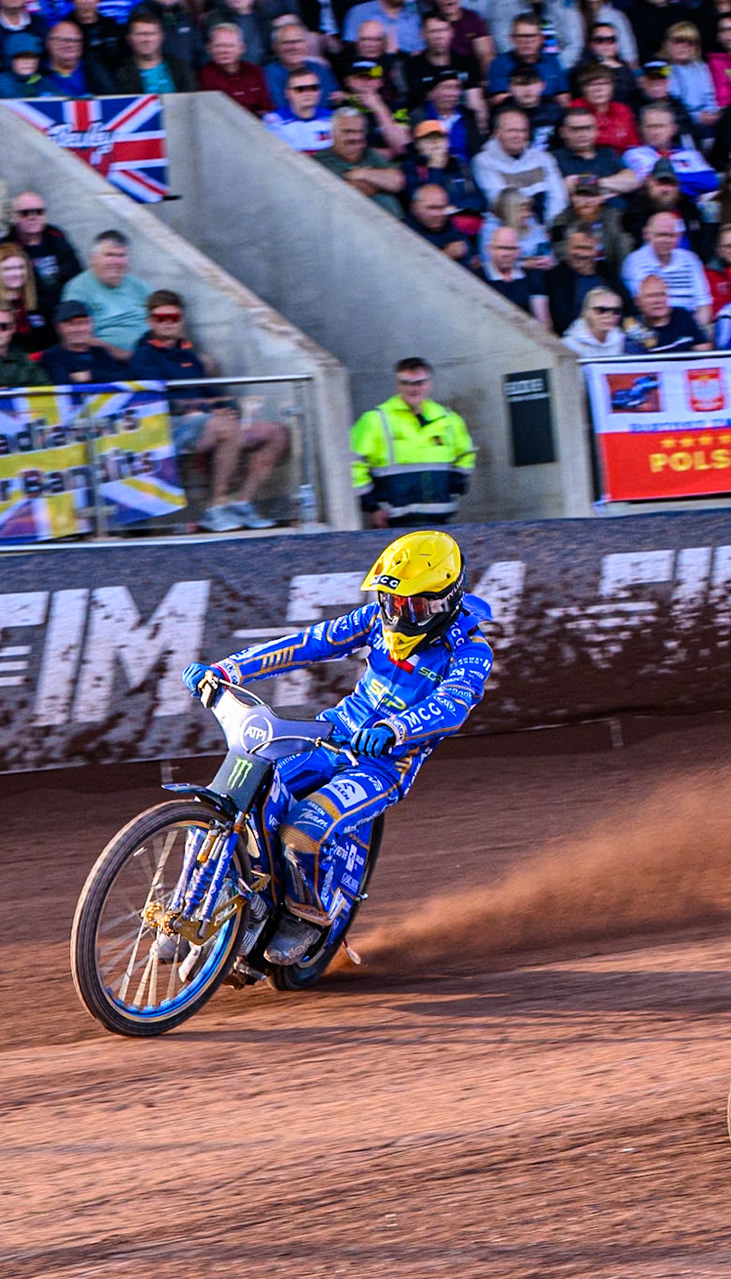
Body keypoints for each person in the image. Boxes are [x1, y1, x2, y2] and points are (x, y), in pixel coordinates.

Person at [179, 531, 493, 966]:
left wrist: (396, 728)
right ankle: (201, 903)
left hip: (384, 765)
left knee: (301, 829)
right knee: (243, 797)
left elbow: (451, 706)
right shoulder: (374, 620)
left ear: (444, 600)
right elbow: (308, 643)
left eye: (412, 606)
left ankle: (306, 918)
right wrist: (227, 668)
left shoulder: (470, 651)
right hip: (329, 735)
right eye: (389, 601)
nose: (397, 614)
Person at [127, 290, 290, 532]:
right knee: (223, 426)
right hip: (170, 427)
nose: (168, 323)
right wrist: (203, 409)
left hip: (208, 423)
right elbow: (156, 402)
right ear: (150, 320)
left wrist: (229, 408)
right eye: (161, 317)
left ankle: (242, 502)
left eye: (174, 317)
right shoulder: (142, 356)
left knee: (276, 432)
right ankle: (215, 508)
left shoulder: (190, 357)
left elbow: (213, 393)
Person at [351, 358, 475, 528]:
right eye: (406, 383)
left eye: (419, 383)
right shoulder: (376, 420)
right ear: (397, 385)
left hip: (440, 521)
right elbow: (353, 464)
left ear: (429, 384)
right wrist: (371, 506)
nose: (413, 388)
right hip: (393, 523)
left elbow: (466, 454)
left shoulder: (448, 419)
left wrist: (457, 482)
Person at [59, 230, 151, 354]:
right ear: (93, 260)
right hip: (109, 362)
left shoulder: (139, 285)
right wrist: (124, 355)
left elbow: (168, 314)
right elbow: (76, 337)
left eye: (121, 255)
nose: (116, 262)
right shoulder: (78, 289)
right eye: (109, 255)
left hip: (152, 356)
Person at [315, 109, 405, 218]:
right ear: (333, 133)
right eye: (348, 131)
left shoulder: (370, 154)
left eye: (359, 131)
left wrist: (360, 174)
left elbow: (398, 181)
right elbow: (345, 193)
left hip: (396, 226)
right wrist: (380, 184)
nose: (355, 137)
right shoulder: (321, 160)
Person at [4, 192, 80, 310]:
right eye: (25, 213)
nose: (32, 217)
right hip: (27, 309)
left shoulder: (57, 237)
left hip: (64, 308)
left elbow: (75, 275)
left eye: (39, 212)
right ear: (14, 217)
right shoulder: (6, 246)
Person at [39, 299, 128, 383]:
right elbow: (62, 382)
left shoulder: (99, 352)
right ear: (58, 327)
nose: (78, 329)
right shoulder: (53, 356)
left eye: (83, 323)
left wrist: (91, 375)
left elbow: (123, 378)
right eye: (71, 324)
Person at [480, 225, 550, 327]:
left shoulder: (532, 278)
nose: (506, 254)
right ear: (490, 249)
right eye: (501, 248)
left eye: (511, 248)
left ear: (518, 251)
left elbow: (543, 323)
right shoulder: (476, 277)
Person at [200, 21, 273, 114]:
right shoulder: (204, 75)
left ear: (241, 48)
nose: (224, 51)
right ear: (209, 48)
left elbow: (266, 106)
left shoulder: (254, 71)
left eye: (230, 46)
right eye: (218, 46)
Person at [561, 284, 629, 357]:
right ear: (586, 312)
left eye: (616, 311)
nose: (609, 315)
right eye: (601, 310)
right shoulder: (569, 344)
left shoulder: (621, 341)